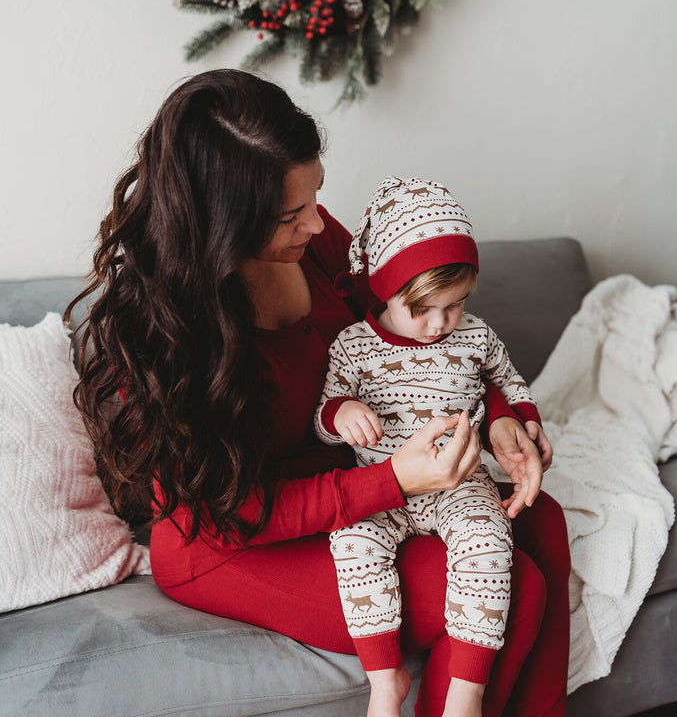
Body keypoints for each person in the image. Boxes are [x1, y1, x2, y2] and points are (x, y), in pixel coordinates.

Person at [66, 68, 569, 717]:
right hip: (232, 541)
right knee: (513, 587)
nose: (317, 223)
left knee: (540, 519)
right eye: (290, 215)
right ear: (223, 226)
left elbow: (416, 335)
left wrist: (500, 416)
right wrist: (395, 482)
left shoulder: (316, 244)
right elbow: (241, 513)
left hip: (356, 484)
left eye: (315, 197)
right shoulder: (167, 340)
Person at [314, 176, 543, 717]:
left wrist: (523, 421)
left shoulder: (477, 337)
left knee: (489, 541)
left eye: (456, 305)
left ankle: (467, 694)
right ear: (384, 290)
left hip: (460, 483)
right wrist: (342, 414)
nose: (441, 324)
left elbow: (510, 384)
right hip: (382, 488)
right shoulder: (352, 347)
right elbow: (324, 415)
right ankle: (383, 678)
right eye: (424, 309)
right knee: (351, 545)